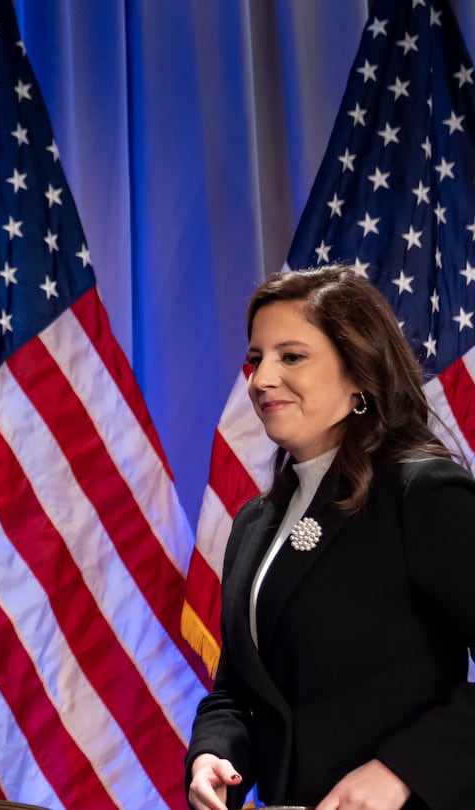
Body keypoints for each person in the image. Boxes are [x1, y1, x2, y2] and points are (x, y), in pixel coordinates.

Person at [186, 267, 475, 810]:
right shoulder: (254, 522)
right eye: (256, 358)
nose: (260, 378)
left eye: (290, 357)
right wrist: (213, 754)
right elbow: (238, 692)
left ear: (358, 374)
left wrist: (402, 770)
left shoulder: (422, 493)